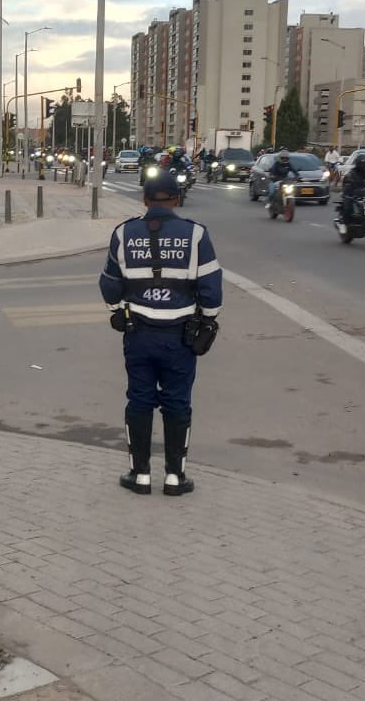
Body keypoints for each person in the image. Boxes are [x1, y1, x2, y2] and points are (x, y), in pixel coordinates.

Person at [99, 172, 222, 497]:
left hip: (138, 334)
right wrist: (208, 320)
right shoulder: (196, 235)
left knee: (139, 400)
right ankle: (174, 477)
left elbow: (109, 284)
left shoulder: (124, 233)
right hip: (180, 337)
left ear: (144, 200)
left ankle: (139, 475)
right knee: (177, 402)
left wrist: (116, 310)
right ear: (177, 200)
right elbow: (212, 290)